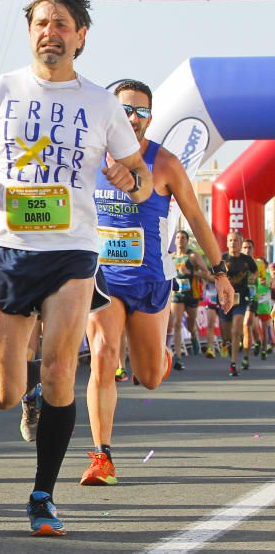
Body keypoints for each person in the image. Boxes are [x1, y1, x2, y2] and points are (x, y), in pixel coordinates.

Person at [0, 0, 154, 536]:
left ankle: (42, 495)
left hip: (73, 250)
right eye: (41, 22)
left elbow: (143, 179)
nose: (49, 32)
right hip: (5, 245)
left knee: (62, 368)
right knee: (3, 392)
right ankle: (26, 394)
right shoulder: (3, 90)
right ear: (31, 30)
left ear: (80, 36)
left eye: (61, 23)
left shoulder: (102, 102)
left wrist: (130, 180)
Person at [81, 79, 233, 487]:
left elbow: (197, 220)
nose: (133, 118)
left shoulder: (163, 162)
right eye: (126, 109)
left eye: (142, 111)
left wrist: (220, 274)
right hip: (103, 279)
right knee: (102, 355)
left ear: (151, 117)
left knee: (147, 376)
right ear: (111, 112)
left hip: (150, 281)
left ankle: (160, 359)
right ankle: (102, 456)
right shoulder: (88, 157)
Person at [219, 231, 257, 376]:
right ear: (227, 243)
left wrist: (253, 278)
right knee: (227, 334)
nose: (233, 243)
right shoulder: (222, 259)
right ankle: (230, 345)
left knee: (236, 329)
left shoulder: (247, 260)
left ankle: (233, 363)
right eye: (231, 241)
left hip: (241, 297)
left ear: (241, 244)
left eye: (236, 241)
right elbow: (213, 274)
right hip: (225, 299)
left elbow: (254, 272)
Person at [169, 230, 208, 368]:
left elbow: (206, 273)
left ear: (187, 240)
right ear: (174, 241)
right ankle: (178, 357)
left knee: (191, 325)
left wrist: (190, 272)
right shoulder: (171, 257)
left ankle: (194, 335)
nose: (180, 240)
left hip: (192, 294)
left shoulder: (193, 256)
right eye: (178, 237)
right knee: (177, 323)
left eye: (183, 237)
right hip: (177, 294)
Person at [241, 239, 268, 367]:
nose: (247, 250)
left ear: (253, 249)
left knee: (247, 324)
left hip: (253, 298)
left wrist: (262, 281)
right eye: (245, 247)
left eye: (249, 247)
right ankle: (257, 340)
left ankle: (246, 357)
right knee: (247, 325)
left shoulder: (259, 263)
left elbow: (264, 278)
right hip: (239, 297)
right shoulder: (238, 262)